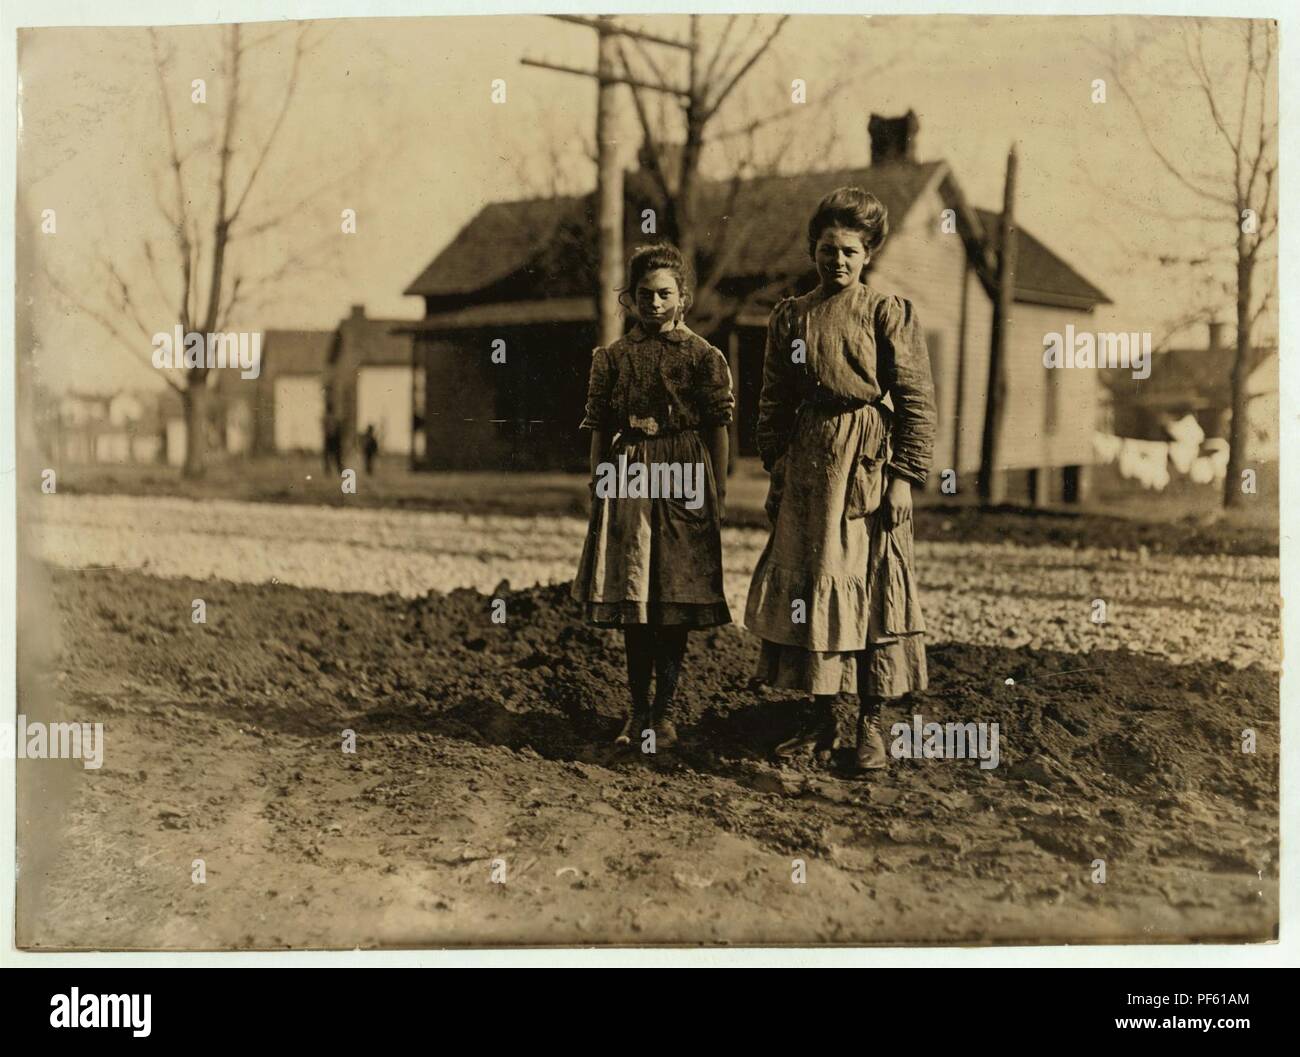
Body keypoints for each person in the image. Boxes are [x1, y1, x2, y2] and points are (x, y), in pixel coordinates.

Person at [744, 186, 937, 773]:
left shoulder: (886, 313)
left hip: (867, 466)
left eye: (851, 250)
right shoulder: (791, 316)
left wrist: (904, 478)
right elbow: (773, 399)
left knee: (872, 588)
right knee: (814, 587)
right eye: (828, 249)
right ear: (813, 250)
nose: (839, 260)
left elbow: (917, 401)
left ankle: (871, 725)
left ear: (868, 254)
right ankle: (822, 720)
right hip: (808, 467)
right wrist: (777, 467)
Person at [571, 242, 734, 748]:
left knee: (673, 598)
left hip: (684, 473)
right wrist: (599, 481)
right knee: (636, 596)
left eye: (665, 294)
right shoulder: (614, 358)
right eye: (644, 294)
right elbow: (599, 427)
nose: (655, 303)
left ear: (683, 297)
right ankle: (636, 712)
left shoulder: (705, 357)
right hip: (630, 476)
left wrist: (718, 491)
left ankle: (664, 715)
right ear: (629, 298)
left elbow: (718, 427)